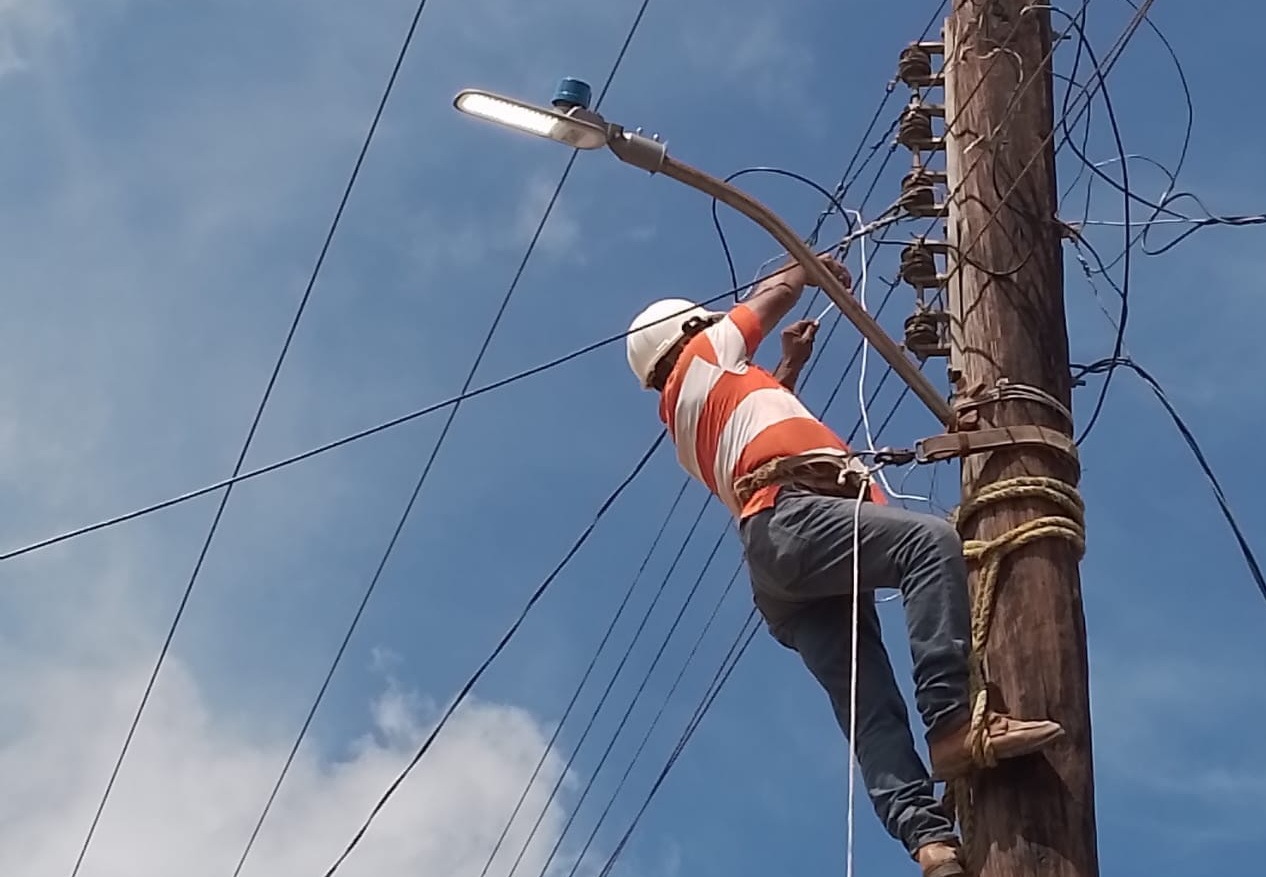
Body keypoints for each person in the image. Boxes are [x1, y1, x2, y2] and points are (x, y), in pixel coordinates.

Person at [623, 254, 1066, 877]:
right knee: (928, 544)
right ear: (691, 333)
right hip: (793, 517)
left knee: (866, 702)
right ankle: (952, 721)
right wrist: (807, 265)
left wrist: (790, 368)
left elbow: (763, 418)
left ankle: (930, 843)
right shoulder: (702, 355)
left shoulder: (691, 418)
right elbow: (772, 292)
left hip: (780, 562)